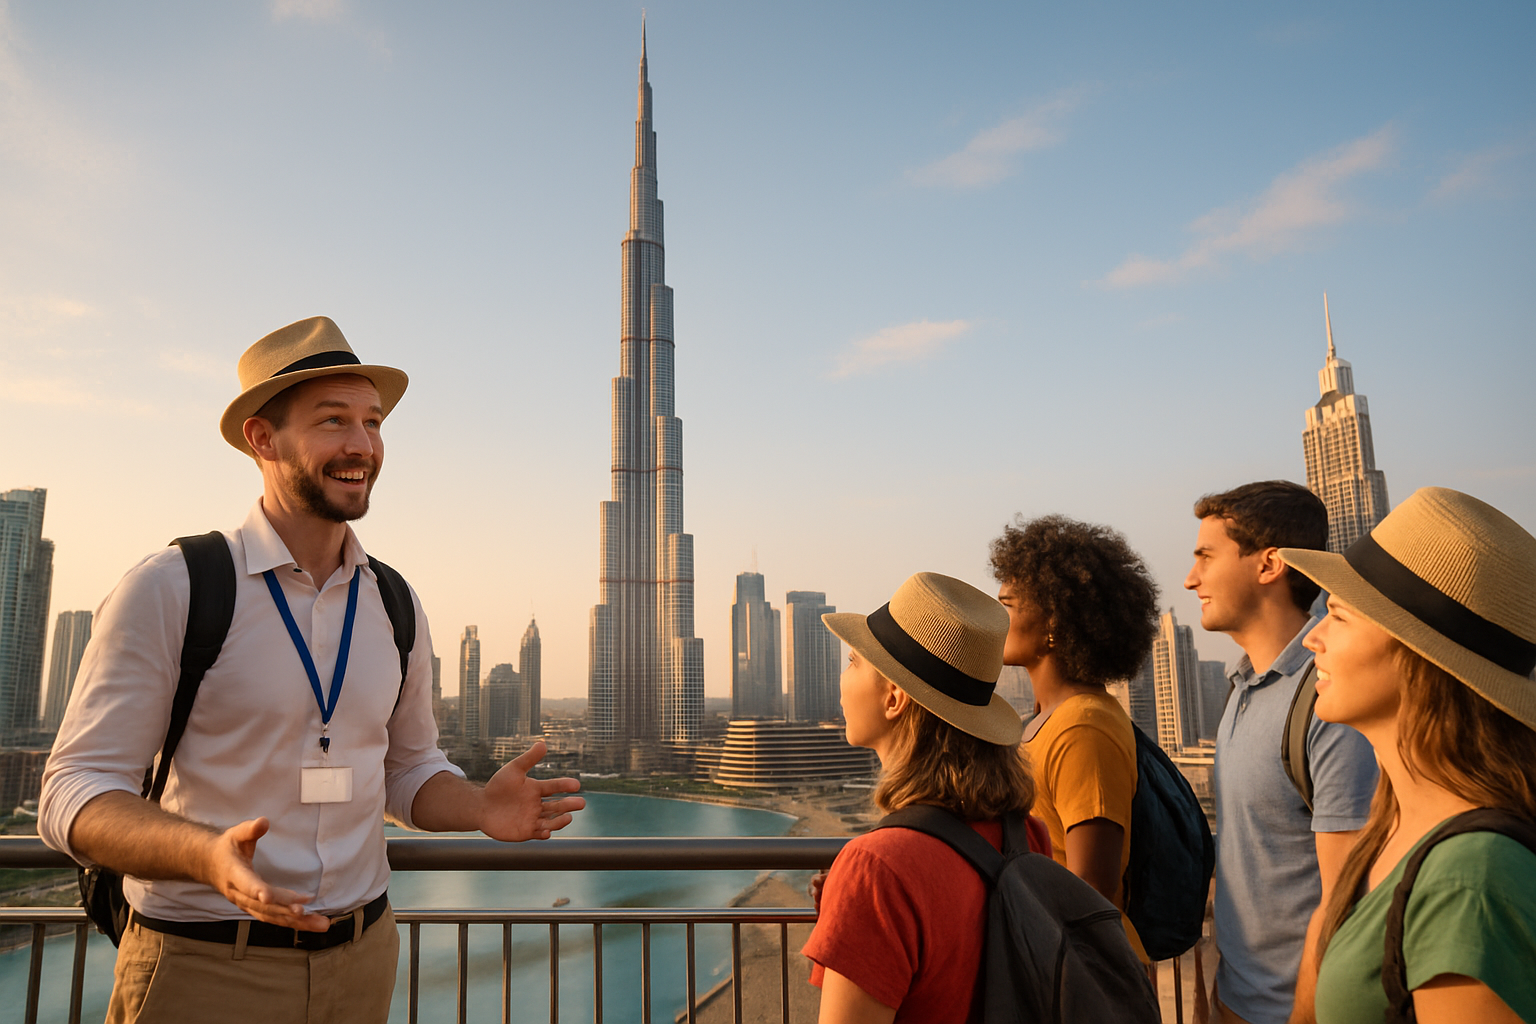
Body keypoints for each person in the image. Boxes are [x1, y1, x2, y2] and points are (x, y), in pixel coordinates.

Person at [39, 316, 585, 1024]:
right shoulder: (174, 586)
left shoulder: (394, 603)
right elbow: (74, 789)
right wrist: (205, 855)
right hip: (204, 963)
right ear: (262, 439)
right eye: (333, 421)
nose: (363, 445)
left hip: (363, 960)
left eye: (373, 422)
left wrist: (478, 806)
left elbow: (407, 769)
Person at [1282, 487, 1536, 1024]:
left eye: (1339, 616)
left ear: (1419, 656)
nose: (1312, 638)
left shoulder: (1471, 883)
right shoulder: (1395, 821)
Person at [802, 571, 1050, 1023]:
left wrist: (857, 899)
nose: (842, 678)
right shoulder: (1027, 834)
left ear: (894, 698)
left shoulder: (875, 870)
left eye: (854, 661)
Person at [1182, 480, 1378, 1024]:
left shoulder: (1328, 698)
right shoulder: (1241, 687)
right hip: (1233, 999)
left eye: (1205, 556)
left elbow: (1346, 901)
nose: (1191, 578)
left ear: (1269, 564)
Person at [989, 513, 1159, 962]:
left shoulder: (1084, 728)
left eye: (1008, 605)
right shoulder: (1045, 720)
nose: (995, 618)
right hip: (1052, 959)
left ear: (1054, 621)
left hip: (1081, 974)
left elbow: (1091, 890)